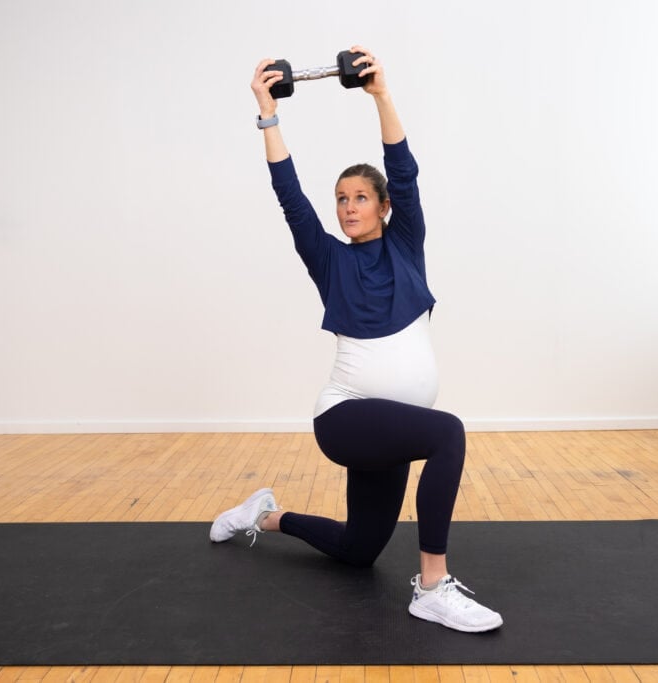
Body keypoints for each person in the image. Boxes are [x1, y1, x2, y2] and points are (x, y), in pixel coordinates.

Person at [209, 46, 502, 633]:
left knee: (358, 549)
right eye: (341, 199)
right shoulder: (328, 261)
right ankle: (433, 586)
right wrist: (268, 114)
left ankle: (262, 515)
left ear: (384, 206)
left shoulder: (405, 244)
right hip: (345, 418)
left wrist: (381, 95)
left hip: (388, 432)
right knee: (448, 433)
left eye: (360, 197)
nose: (347, 207)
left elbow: (405, 171)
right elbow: (290, 197)